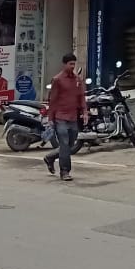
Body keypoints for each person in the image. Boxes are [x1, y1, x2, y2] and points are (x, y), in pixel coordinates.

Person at [43, 54, 88, 182]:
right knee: (64, 143)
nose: (72, 66)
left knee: (70, 145)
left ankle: (50, 157)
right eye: (70, 64)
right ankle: (65, 171)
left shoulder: (78, 80)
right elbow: (53, 100)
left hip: (73, 117)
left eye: (74, 64)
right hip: (60, 117)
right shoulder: (57, 80)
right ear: (64, 64)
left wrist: (85, 112)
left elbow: (81, 97)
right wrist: (50, 118)